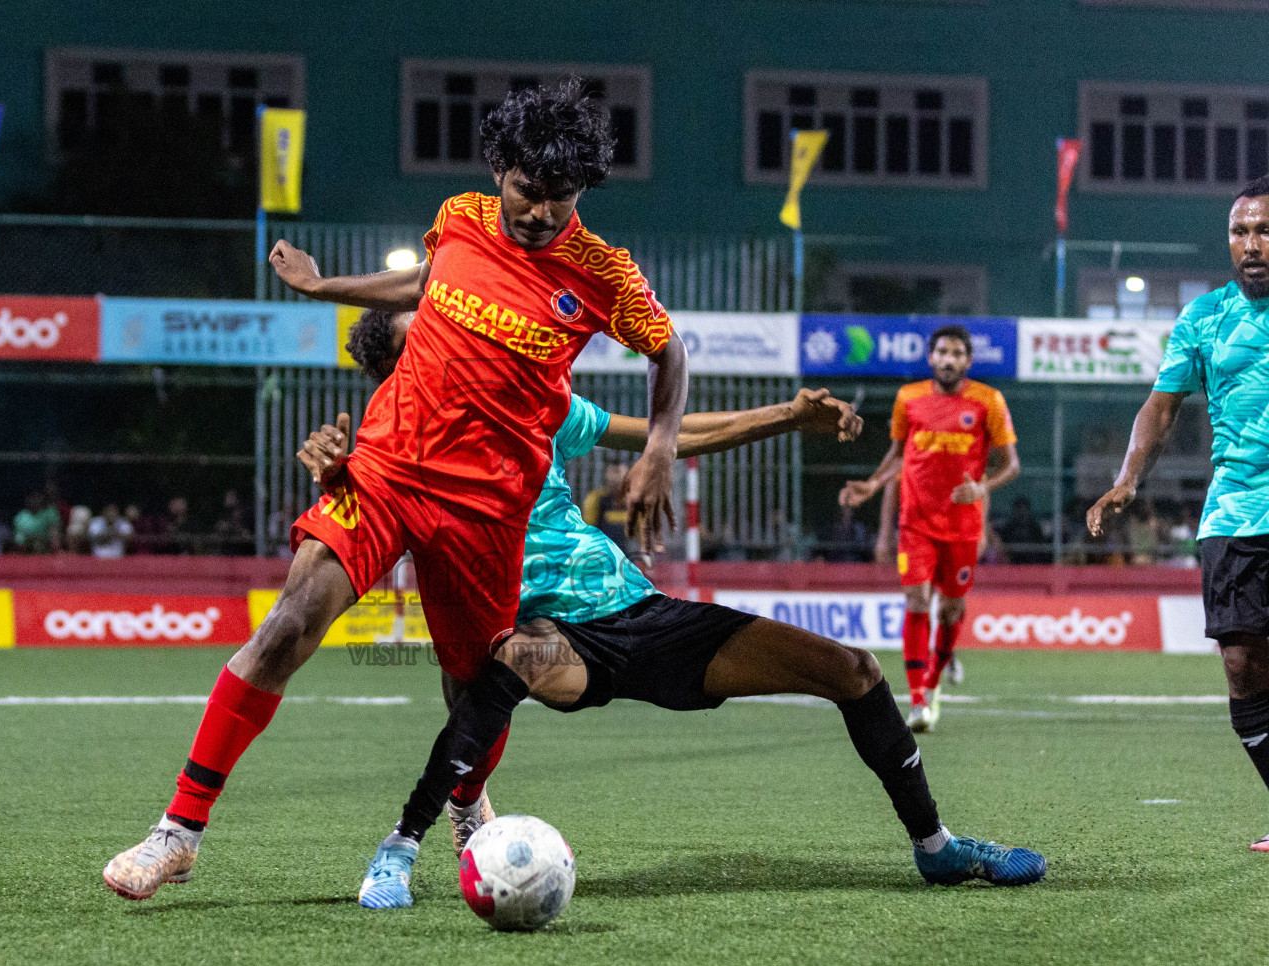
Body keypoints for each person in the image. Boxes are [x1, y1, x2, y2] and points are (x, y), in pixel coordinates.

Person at [101, 79, 688, 900]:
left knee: (473, 687)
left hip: (487, 506)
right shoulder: (459, 219)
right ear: (498, 170)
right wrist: (322, 289)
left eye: (560, 198)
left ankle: (467, 803)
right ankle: (179, 831)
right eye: (526, 192)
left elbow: (670, 352)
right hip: (386, 468)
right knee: (288, 625)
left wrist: (660, 445)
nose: (540, 214)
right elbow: (425, 286)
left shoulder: (603, 273)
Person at [301, 310, 1045, 907]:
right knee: (512, 663)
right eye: (422, 336)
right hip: (556, 637)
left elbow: (672, 434)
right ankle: (402, 844)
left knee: (851, 669)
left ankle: (937, 849)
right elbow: (357, 527)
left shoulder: (535, 406)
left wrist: (788, 414)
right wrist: (340, 481)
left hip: (644, 613)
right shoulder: (396, 449)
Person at [1088, 175, 1269, 854]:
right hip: (1235, 515)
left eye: (1263, 230)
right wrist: (1127, 480)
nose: (1250, 244)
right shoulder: (1204, 318)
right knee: (1242, 662)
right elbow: (1161, 408)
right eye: (1239, 231)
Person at [839, 326, 1020, 732]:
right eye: (942, 351)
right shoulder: (909, 398)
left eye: (957, 353)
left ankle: (936, 683)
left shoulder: (989, 400)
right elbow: (898, 455)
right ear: (931, 357)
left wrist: (982, 487)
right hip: (916, 523)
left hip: (963, 527)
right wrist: (871, 485)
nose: (948, 359)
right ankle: (919, 698)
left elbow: (1012, 465)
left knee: (952, 609)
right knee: (918, 602)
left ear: (968, 361)